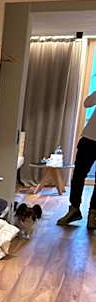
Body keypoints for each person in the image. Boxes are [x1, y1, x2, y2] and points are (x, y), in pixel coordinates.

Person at [57, 91, 96, 228]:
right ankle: (74, 209)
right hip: (89, 138)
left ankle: (93, 214)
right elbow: (87, 103)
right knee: (78, 176)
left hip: (89, 139)